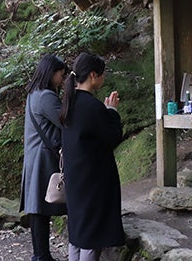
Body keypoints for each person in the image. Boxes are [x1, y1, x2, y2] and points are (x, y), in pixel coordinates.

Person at [59, 53, 125, 261]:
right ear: (93, 75)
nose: (104, 79)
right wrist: (112, 111)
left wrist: (105, 111)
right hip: (93, 180)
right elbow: (112, 136)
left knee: (77, 234)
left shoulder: (70, 102)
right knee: (91, 238)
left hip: (75, 176)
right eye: (102, 74)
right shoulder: (92, 106)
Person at [20, 54, 68, 261]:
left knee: (38, 209)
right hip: (43, 158)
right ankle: (41, 256)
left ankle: (41, 255)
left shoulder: (34, 94)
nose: (62, 79)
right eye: (60, 74)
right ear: (51, 73)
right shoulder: (47, 97)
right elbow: (66, 121)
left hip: (35, 156)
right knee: (40, 209)